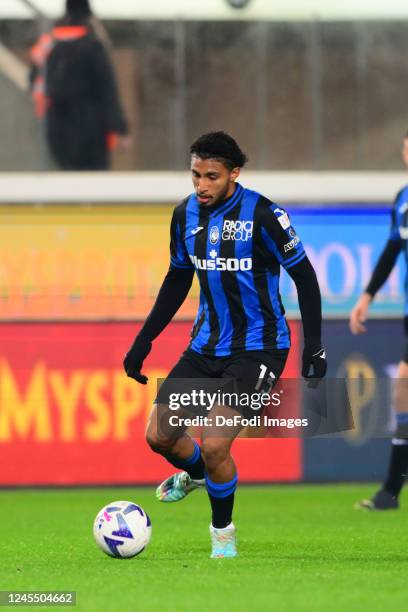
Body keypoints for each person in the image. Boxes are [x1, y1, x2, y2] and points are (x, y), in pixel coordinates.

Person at [124, 131, 327, 558]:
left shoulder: (266, 215)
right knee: (159, 436)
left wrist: (316, 345)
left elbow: (304, 277)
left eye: (211, 177)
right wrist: (144, 340)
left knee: (216, 440)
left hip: (259, 348)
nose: (201, 185)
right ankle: (196, 472)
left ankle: (223, 535)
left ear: (234, 174)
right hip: (204, 347)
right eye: (195, 175)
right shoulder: (184, 217)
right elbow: (178, 278)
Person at [350, 131, 408, 511]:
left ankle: (389, 490)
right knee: (402, 391)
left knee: (403, 387)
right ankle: (390, 491)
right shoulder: (402, 198)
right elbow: (392, 247)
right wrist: (367, 295)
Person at [29, 0, 130, 170]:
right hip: (92, 131)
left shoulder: (48, 42)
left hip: (57, 128)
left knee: (66, 183)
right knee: (93, 186)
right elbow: (107, 91)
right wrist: (120, 129)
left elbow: (33, 80)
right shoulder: (93, 45)